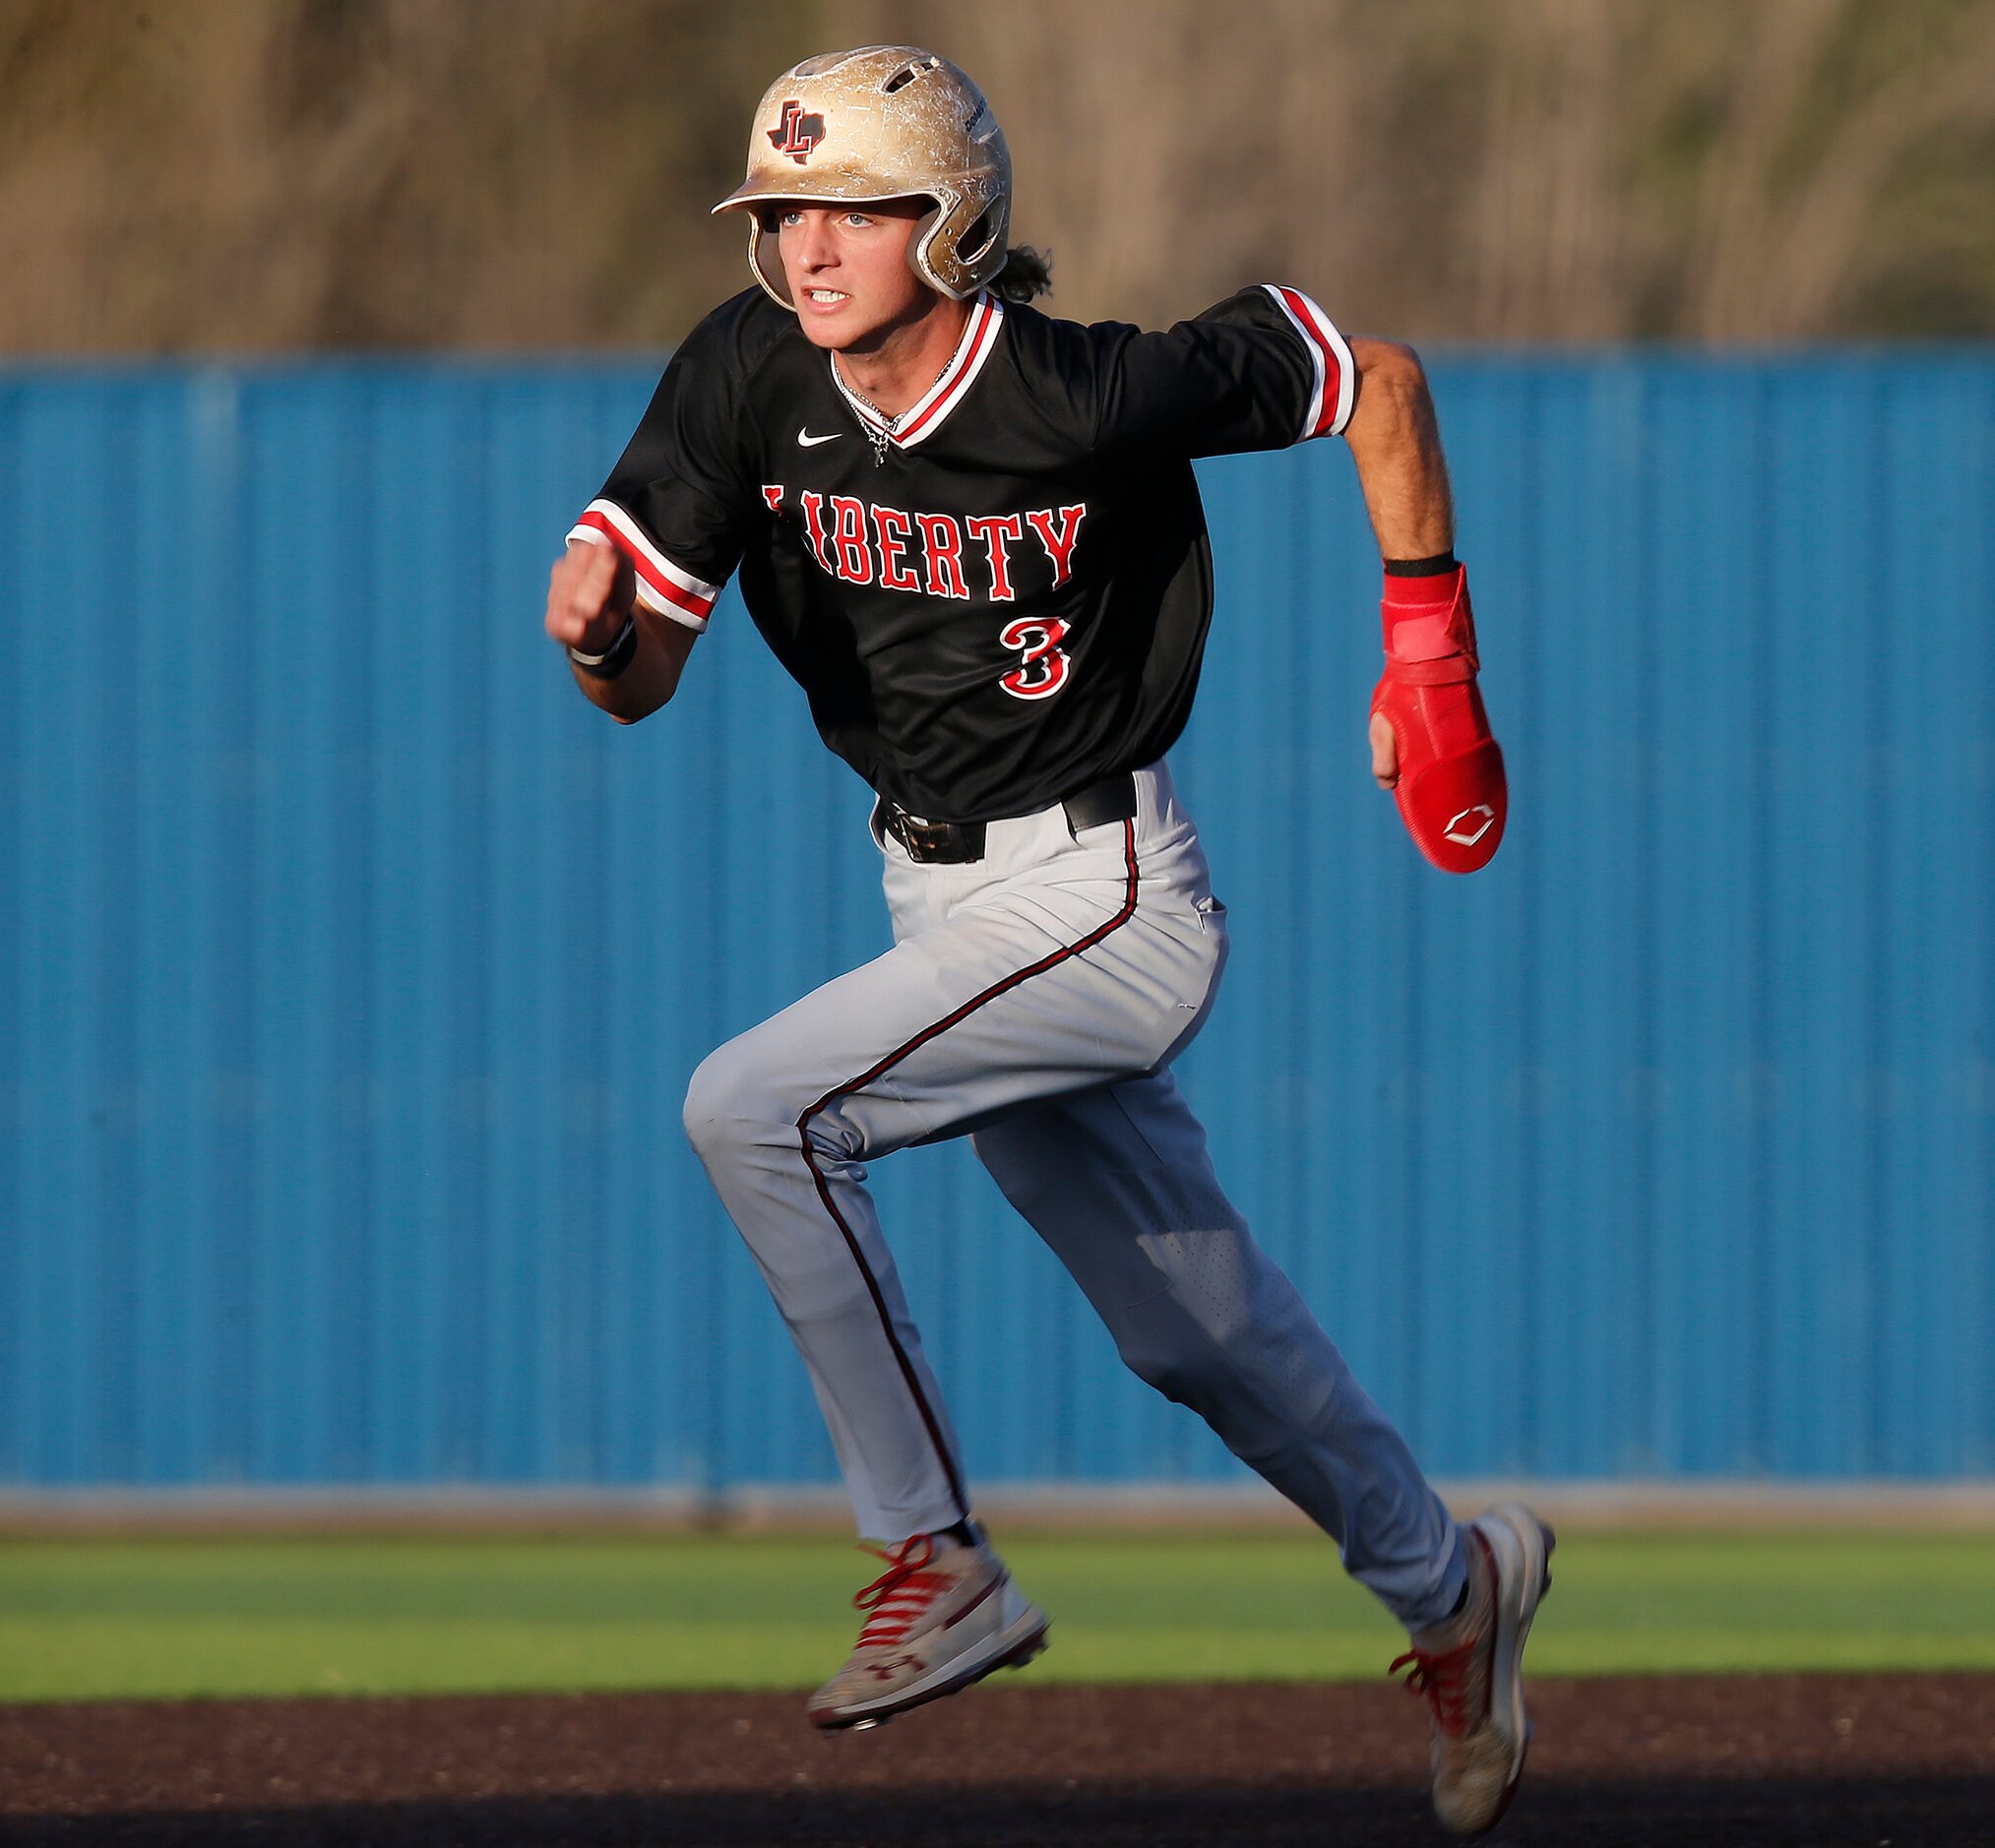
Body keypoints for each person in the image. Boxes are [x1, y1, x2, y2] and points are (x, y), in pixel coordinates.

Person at [544, 44, 1547, 1838]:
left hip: (1104, 892)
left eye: (850, 203)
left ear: (953, 218)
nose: (805, 241)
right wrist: (600, 640)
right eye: (781, 208)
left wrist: (1431, 665)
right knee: (1199, 1330)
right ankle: (1454, 1588)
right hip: (938, 895)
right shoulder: (743, 370)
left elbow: (1375, 380)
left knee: (751, 1106)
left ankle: (934, 1553)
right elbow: (643, 681)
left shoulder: (1086, 392)